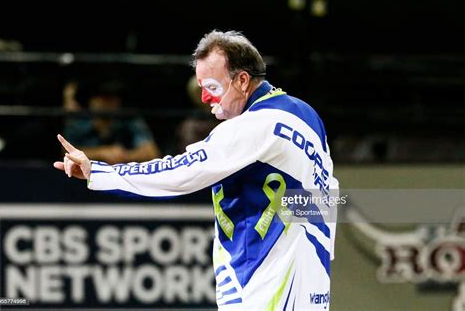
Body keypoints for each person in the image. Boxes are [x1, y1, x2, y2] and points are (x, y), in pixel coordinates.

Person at [54, 30, 339, 310]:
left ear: (242, 80)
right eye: (201, 87)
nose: (204, 98)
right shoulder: (307, 115)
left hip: (266, 287)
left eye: (212, 87)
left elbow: (180, 172)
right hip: (312, 282)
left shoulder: (253, 127)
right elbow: (328, 197)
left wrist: (99, 172)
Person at [62, 78, 161, 164]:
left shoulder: (129, 120)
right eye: (104, 98)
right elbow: (66, 153)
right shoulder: (79, 124)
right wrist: (102, 153)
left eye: (114, 98)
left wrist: (125, 156)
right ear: (92, 100)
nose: (110, 103)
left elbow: (152, 152)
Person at [175, 74, 219, 152]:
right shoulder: (191, 125)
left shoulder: (230, 115)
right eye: (201, 92)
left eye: (212, 89)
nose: (206, 96)